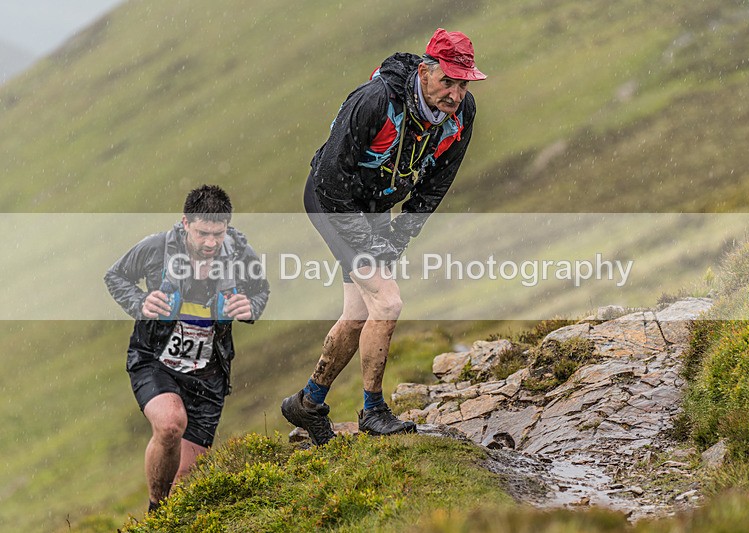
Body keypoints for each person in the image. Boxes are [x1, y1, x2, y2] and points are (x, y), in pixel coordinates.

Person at [281, 28, 486, 445]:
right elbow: (329, 179)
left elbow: (433, 188)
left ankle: (307, 403)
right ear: (425, 72)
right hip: (331, 199)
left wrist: (397, 238)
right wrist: (369, 241)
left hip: (376, 207)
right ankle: (373, 411)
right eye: (447, 81)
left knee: (359, 314)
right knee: (388, 302)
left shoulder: (462, 116)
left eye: (463, 84)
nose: (455, 94)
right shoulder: (375, 100)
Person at [104, 185, 269, 512]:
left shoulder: (239, 254)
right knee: (169, 424)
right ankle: (155, 513)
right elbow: (116, 276)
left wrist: (251, 307)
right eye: (203, 233)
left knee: (185, 483)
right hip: (154, 361)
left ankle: (166, 516)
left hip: (209, 375)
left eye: (218, 234)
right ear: (185, 223)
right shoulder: (155, 249)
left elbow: (260, 290)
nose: (210, 243)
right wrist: (139, 302)